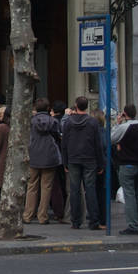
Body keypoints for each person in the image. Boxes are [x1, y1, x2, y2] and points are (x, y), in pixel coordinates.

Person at [61, 96, 104, 230]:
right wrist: (100, 163)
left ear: (76, 105)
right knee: (90, 189)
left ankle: (75, 220)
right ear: (87, 106)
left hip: (73, 158)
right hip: (89, 159)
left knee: (74, 191)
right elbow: (98, 144)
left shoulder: (68, 122)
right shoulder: (92, 122)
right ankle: (94, 221)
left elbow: (64, 143)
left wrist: (65, 161)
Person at [23, 98, 62, 224]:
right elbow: (57, 137)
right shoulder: (53, 121)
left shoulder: (31, 121)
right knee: (46, 187)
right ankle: (42, 216)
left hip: (33, 155)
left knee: (31, 186)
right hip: (49, 156)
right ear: (47, 108)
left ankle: (28, 214)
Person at [111, 104, 138, 235]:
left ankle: (133, 224)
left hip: (126, 164)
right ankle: (136, 221)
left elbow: (111, 138)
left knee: (129, 195)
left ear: (124, 114)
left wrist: (117, 123)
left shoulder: (124, 127)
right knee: (137, 194)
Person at [49, 100, 68, 223]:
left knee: (54, 184)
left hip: (54, 156)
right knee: (64, 182)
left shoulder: (53, 123)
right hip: (64, 155)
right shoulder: (65, 121)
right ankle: (65, 209)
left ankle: (58, 211)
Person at [90, 109, 109, 229]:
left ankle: (99, 218)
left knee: (97, 192)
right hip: (103, 164)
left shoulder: (96, 133)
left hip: (98, 165)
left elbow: (100, 148)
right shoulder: (105, 132)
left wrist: (100, 165)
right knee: (101, 192)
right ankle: (101, 218)